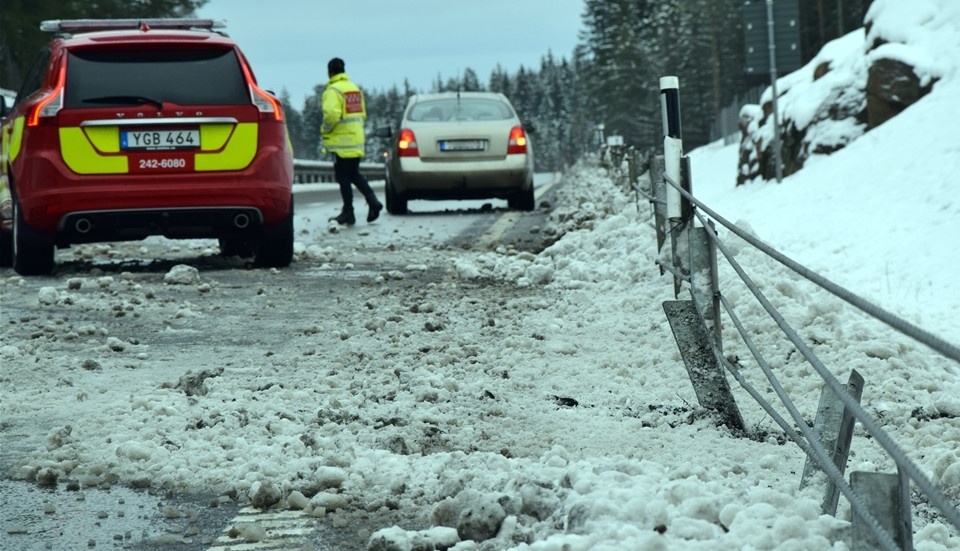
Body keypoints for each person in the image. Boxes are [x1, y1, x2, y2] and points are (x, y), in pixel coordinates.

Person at [321, 57, 382, 225]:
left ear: (329, 72)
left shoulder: (333, 91)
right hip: (356, 139)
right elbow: (362, 114)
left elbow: (331, 115)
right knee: (353, 174)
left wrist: (325, 130)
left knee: (343, 177)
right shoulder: (354, 89)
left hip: (341, 141)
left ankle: (349, 211)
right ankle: (372, 202)